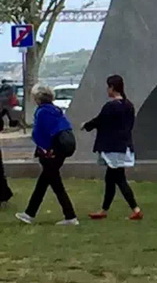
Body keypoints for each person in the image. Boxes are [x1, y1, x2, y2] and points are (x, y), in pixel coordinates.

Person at [82, 74, 142, 220]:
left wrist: (86, 125)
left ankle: (135, 209)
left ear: (112, 88)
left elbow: (100, 121)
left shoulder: (111, 107)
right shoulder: (129, 106)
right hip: (124, 146)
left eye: (108, 87)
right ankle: (104, 209)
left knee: (119, 179)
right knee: (110, 179)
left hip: (113, 147)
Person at [16, 86, 77, 226]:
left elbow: (39, 134)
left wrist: (44, 149)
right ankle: (30, 213)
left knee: (53, 184)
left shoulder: (42, 112)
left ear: (37, 98)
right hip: (62, 148)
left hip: (51, 152)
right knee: (45, 183)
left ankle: (70, 216)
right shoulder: (56, 110)